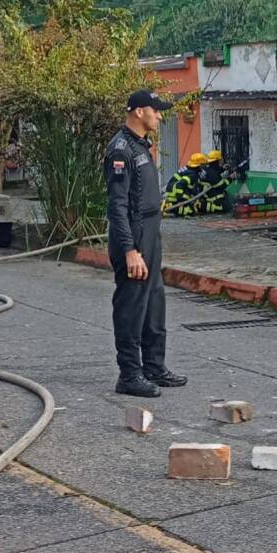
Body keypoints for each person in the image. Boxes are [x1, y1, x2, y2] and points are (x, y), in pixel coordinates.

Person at [104, 90, 187, 398]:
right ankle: (129, 374)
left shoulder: (140, 145)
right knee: (132, 306)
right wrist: (129, 250)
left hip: (151, 231)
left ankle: (154, 366)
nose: (160, 115)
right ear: (139, 112)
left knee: (154, 302)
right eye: (156, 110)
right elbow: (118, 206)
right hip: (134, 234)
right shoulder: (120, 150)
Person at [163, 153, 206, 217]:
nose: (204, 167)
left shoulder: (188, 170)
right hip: (175, 198)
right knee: (190, 211)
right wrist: (181, 199)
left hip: (172, 196)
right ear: (198, 165)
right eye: (203, 165)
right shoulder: (192, 174)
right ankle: (177, 211)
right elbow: (179, 185)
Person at [200, 150, 231, 215]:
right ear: (216, 161)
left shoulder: (207, 169)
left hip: (206, 196)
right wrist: (231, 178)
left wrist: (222, 169)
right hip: (212, 199)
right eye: (220, 160)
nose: (221, 161)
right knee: (227, 207)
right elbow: (221, 186)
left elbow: (215, 172)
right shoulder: (212, 173)